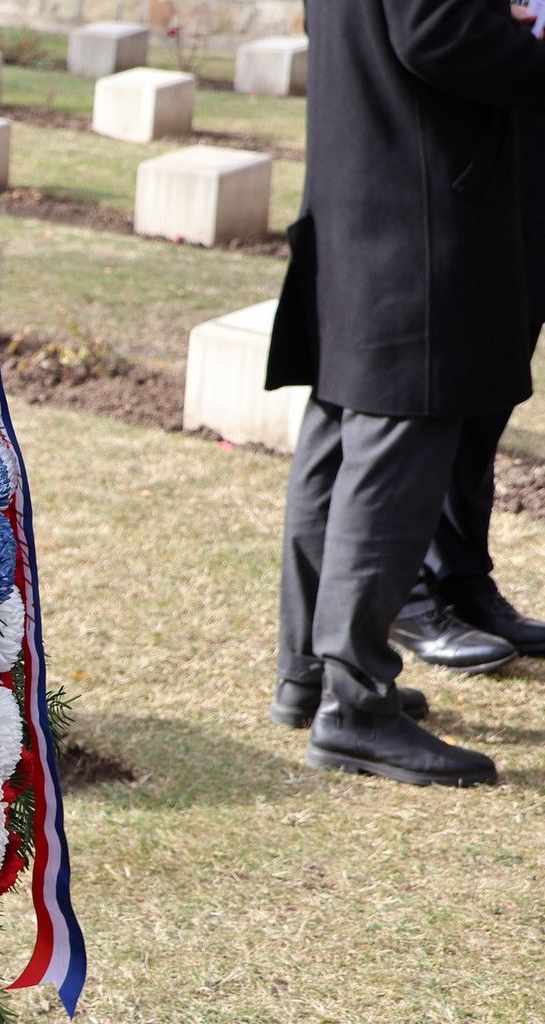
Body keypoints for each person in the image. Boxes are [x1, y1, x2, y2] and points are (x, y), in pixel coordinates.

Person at [266, 0, 545, 786]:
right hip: (415, 203)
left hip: (365, 177)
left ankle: (310, 672)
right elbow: (437, 32)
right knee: (395, 446)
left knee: (337, 439)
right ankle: (355, 708)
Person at [389, 105, 545, 672]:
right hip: (465, 155)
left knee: (492, 390)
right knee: (439, 392)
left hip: (526, 158)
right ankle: (406, 592)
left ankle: (461, 577)